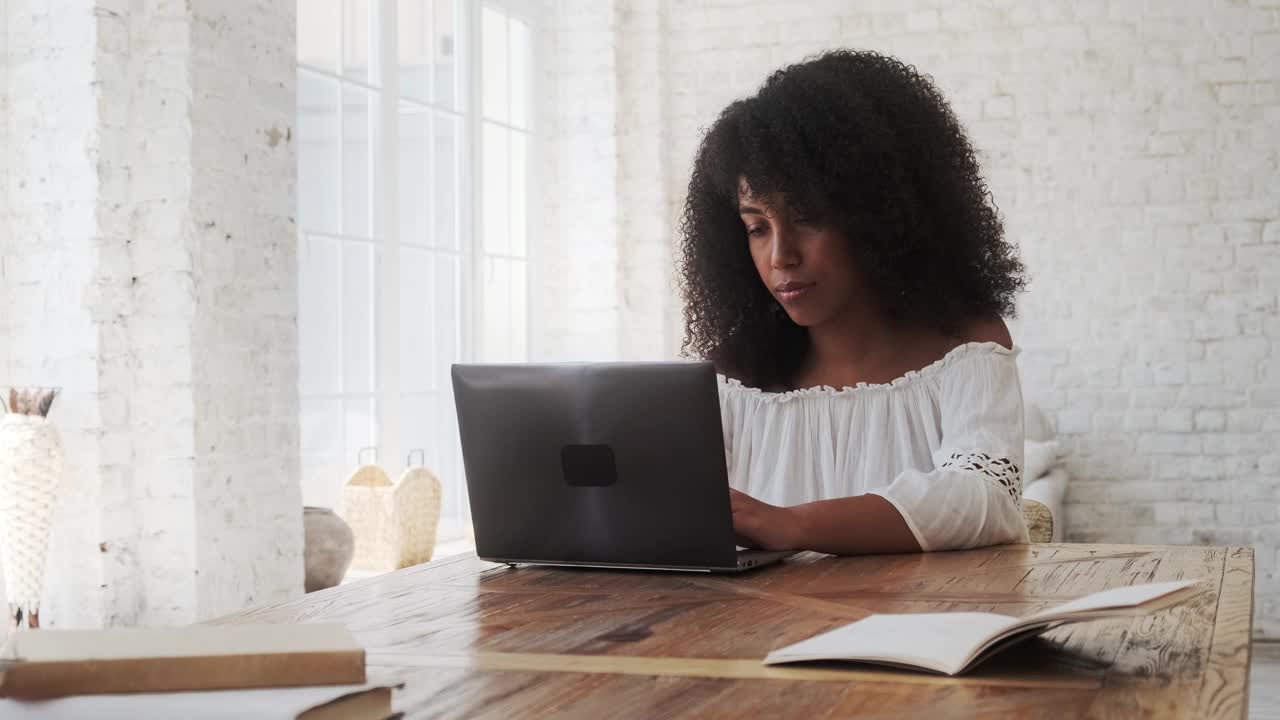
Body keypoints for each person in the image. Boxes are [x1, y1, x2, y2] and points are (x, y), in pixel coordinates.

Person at [677, 50, 1029, 555]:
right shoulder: (732, 378)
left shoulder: (965, 346)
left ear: (881, 217)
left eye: (808, 217)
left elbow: (985, 497)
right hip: (760, 633)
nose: (781, 256)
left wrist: (796, 526)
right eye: (757, 227)